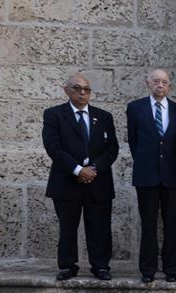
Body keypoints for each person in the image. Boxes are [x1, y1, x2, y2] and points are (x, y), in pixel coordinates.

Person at [42, 73, 119, 281]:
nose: (82, 93)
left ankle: (101, 265)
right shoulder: (54, 115)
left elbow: (112, 148)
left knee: (100, 226)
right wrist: (77, 170)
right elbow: (53, 147)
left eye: (86, 89)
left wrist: (93, 169)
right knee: (68, 226)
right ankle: (68, 265)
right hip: (67, 181)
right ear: (66, 89)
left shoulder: (103, 117)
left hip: (98, 181)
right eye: (77, 88)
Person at [126, 68, 176, 283]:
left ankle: (171, 269)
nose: (160, 85)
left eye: (164, 82)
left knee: (172, 224)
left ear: (169, 86)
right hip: (146, 175)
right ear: (148, 83)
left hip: (171, 175)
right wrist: (146, 161)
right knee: (148, 224)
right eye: (156, 81)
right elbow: (133, 141)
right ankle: (148, 269)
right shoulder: (135, 108)